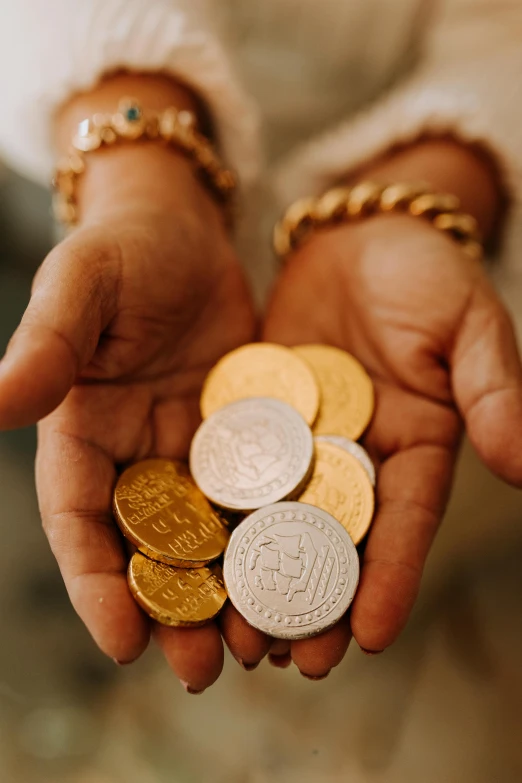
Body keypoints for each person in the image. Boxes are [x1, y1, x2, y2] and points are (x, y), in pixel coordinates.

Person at [0, 0, 521, 696]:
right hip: (118, 146)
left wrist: (449, 174)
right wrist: (139, 176)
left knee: (406, 575)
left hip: (447, 264)